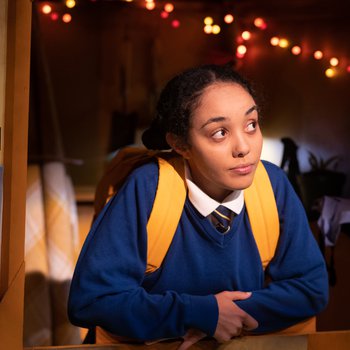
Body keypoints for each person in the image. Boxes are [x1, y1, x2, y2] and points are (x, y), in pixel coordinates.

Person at [68, 64, 328, 349]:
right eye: (219, 133)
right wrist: (200, 313)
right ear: (181, 144)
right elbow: (92, 300)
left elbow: (310, 288)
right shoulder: (147, 188)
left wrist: (227, 316)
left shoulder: (272, 184)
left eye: (251, 124)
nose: (244, 147)